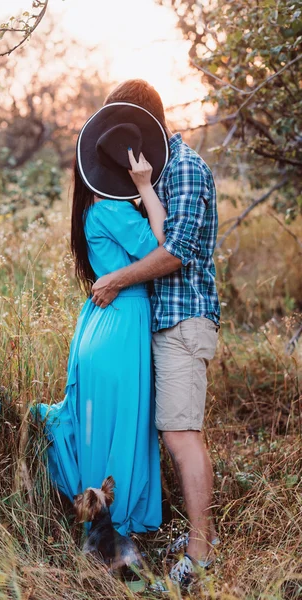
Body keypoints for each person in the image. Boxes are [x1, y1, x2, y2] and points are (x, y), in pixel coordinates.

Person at [0, 102, 169, 538]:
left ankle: (15, 415)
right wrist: (145, 185)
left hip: (97, 323)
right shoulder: (115, 209)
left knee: (90, 421)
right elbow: (163, 246)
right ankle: (107, 524)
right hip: (123, 323)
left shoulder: (91, 209)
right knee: (117, 424)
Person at [91, 80, 221, 587]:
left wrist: (116, 281)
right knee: (173, 431)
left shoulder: (185, 167)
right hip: (164, 321)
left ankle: (202, 557)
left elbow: (175, 252)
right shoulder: (159, 173)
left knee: (182, 436)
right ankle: (194, 538)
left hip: (185, 320)